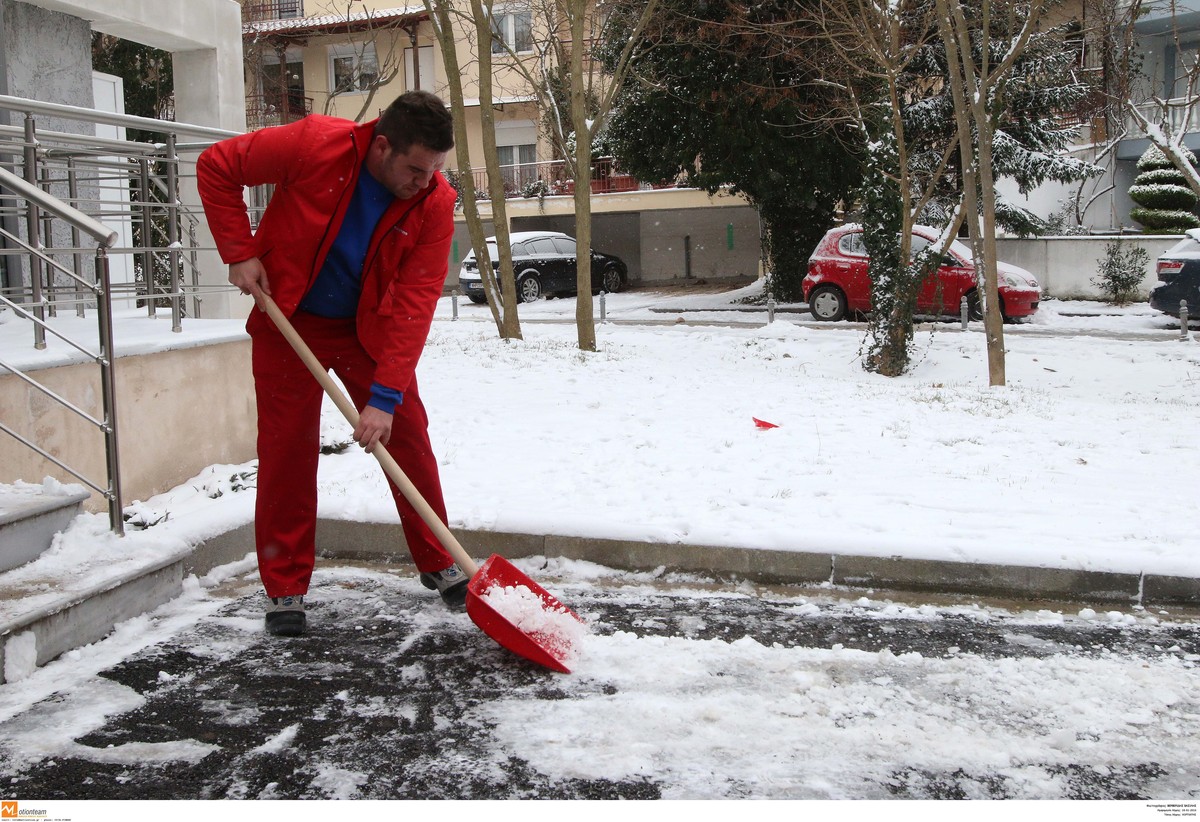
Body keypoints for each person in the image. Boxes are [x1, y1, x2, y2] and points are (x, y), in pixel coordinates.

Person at [197, 91, 465, 637]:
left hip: (368, 328)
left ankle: (441, 560)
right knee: (286, 448)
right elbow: (217, 166)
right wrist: (239, 249)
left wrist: (385, 397)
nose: (426, 180)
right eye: (416, 169)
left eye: (436, 169)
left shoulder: (434, 201)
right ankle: (285, 587)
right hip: (289, 318)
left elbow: (416, 300)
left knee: (408, 434)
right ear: (383, 146)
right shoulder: (314, 144)